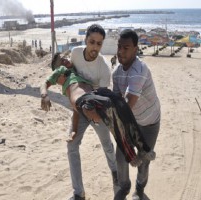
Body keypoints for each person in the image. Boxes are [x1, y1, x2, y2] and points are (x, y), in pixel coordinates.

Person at [66, 24, 118, 200]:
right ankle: (78, 193)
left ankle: (118, 188)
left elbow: (100, 99)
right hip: (79, 109)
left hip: (97, 110)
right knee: (71, 145)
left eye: (99, 44)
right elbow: (71, 74)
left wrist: (93, 113)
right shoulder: (75, 53)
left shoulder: (103, 68)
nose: (95, 47)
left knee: (108, 148)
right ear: (85, 40)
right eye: (92, 42)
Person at [112, 29, 161, 200]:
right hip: (130, 121)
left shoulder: (139, 69)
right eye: (119, 46)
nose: (121, 51)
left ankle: (139, 190)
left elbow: (127, 104)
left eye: (126, 47)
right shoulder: (116, 73)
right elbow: (116, 102)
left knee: (143, 160)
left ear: (135, 49)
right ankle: (124, 187)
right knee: (120, 156)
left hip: (149, 122)